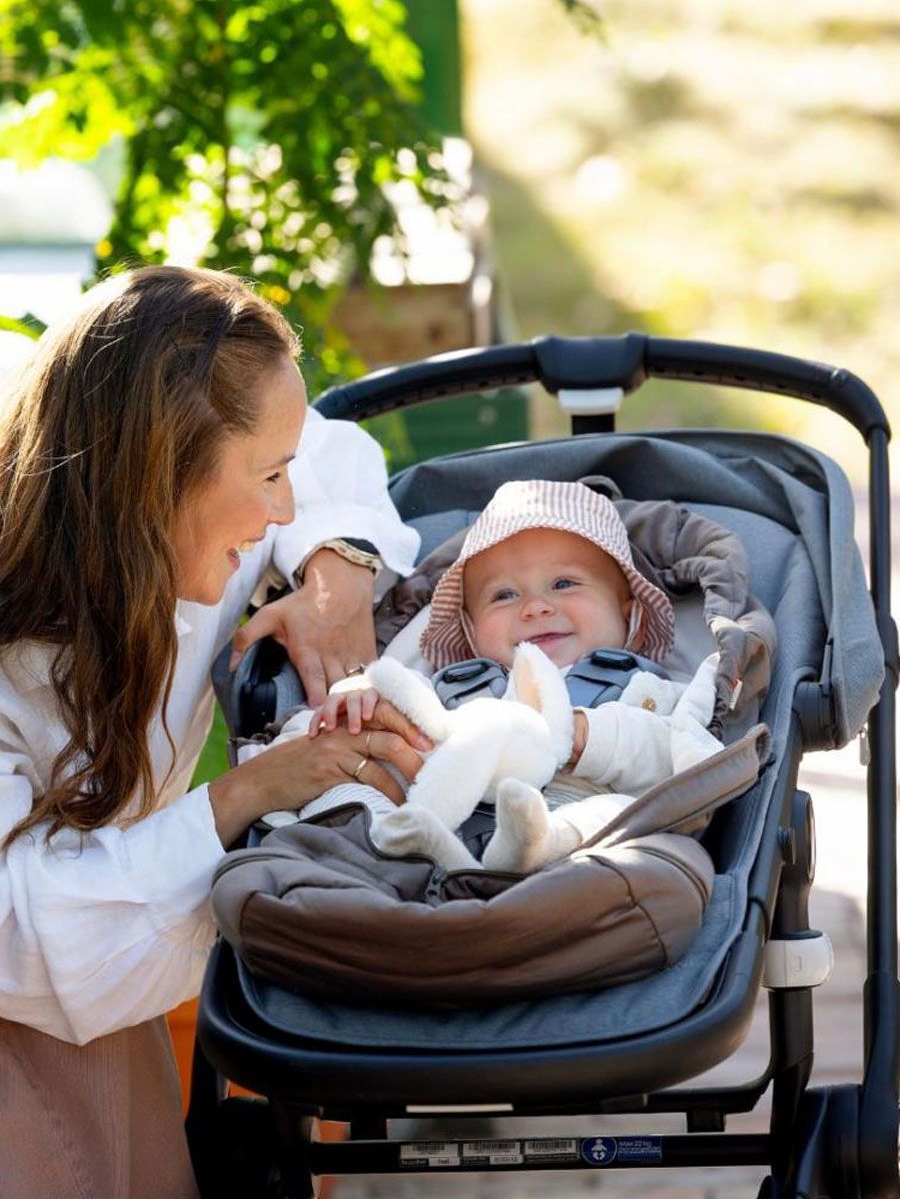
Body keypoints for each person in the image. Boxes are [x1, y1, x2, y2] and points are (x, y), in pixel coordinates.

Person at [0, 265, 431, 1198]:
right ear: (157, 475)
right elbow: (16, 933)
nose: (283, 508)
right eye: (267, 479)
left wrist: (337, 567)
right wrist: (249, 793)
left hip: (108, 986)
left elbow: (326, 449)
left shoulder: (184, 527)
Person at [264, 479, 723, 870]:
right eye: (503, 595)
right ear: (470, 629)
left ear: (627, 610)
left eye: (564, 584)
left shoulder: (646, 687)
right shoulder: (456, 687)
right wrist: (359, 695)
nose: (535, 607)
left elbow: (676, 758)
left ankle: (536, 842)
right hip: (447, 825)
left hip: (584, 850)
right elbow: (397, 708)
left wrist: (583, 738)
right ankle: (396, 847)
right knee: (355, 792)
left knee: (624, 816)